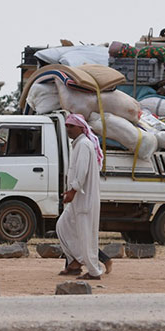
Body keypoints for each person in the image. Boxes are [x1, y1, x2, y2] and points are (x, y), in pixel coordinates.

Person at [54, 114, 104, 280]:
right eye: (67, 126)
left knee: (85, 235)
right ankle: (76, 262)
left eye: (71, 126)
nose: (68, 129)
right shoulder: (78, 145)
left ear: (81, 128)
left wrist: (73, 191)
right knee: (62, 226)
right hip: (77, 199)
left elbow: (81, 172)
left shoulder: (83, 145)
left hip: (84, 199)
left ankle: (94, 271)